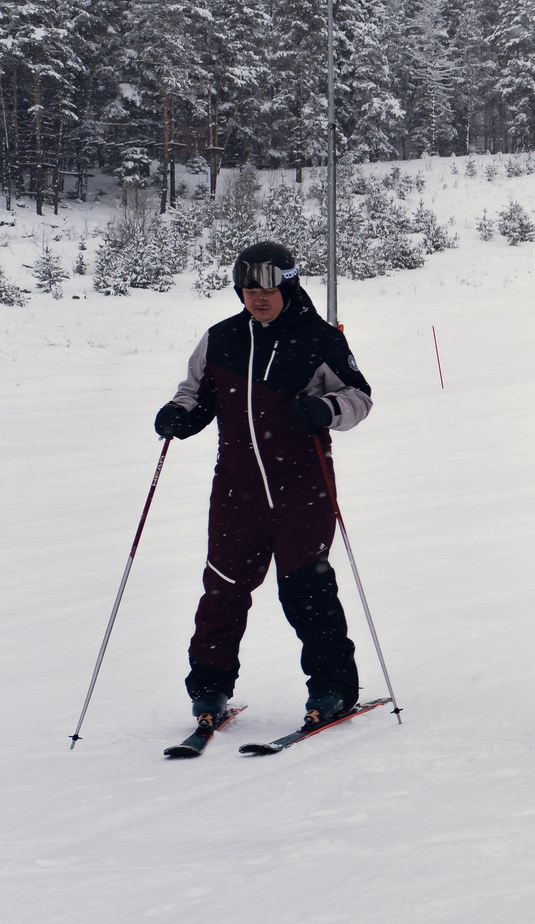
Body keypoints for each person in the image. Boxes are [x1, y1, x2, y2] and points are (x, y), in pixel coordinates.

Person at [155, 242, 375, 741]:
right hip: (237, 490)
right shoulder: (222, 338)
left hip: (303, 490)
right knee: (223, 589)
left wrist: (327, 409)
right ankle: (209, 689)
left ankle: (332, 689)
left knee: (307, 591)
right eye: (249, 288)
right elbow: (195, 392)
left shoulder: (319, 340)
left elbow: (359, 397)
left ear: (289, 286)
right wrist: (180, 415)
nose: (258, 297)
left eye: (268, 287)